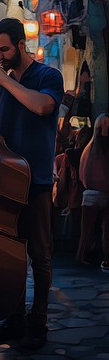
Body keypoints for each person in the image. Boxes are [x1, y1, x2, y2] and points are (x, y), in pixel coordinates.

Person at [0, 18, 64, 350]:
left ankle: (38, 321)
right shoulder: (0, 88)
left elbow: (43, 106)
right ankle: (12, 319)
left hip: (37, 180)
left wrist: (4, 81)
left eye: (4, 49)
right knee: (9, 257)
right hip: (3, 184)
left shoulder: (47, 76)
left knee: (40, 255)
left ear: (20, 44)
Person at [76, 113, 109, 271]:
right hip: (101, 192)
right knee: (104, 230)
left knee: (87, 230)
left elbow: (83, 174)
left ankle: (81, 256)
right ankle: (105, 259)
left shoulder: (89, 149)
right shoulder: (100, 147)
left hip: (90, 193)